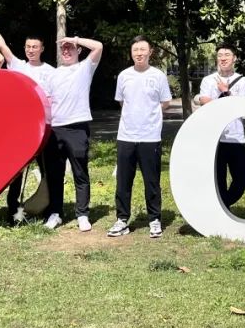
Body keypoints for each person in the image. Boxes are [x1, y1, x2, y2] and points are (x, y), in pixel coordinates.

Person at [0, 10, 54, 224]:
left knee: (47, 169)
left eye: (35, 47)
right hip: (21, 129)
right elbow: (2, 45)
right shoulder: (18, 65)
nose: (31, 50)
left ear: (42, 49)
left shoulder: (50, 71)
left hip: (45, 129)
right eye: (28, 47)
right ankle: (13, 210)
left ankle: (49, 208)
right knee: (16, 171)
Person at [107, 36, 173, 238]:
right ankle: (122, 219)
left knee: (152, 181)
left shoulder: (158, 76)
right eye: (135, 49)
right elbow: (122, 102)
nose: (139, 53)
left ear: (150, 52)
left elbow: (165, 102)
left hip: (150, 137)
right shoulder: (124, 75)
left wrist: (149, 115)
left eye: (143, 49)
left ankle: (154, 219)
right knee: (123, 182)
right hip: (126, 136)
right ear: (131, 52)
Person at [42, 34, 104, 232]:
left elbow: (98, 46)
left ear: (78, 50)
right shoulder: (53, 74)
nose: (66, 51)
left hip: (77, 127)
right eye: (64, 48)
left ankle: (82, 214)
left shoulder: (84, 68)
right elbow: (47, 102)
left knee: (80, 173)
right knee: (54, 174)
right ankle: (55, 213)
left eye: (70, 47)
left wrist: (75, 39)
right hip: (55, 129)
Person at [198, 45, 245, 209]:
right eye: (220, 55)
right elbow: (204, 100)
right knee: (218, 178)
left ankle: (223, 204)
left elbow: (243, 107)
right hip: (214, 138)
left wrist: (226, 92)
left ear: (234, 58)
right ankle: (221, 211)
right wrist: (225, 100)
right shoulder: (208, 80)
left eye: (227, 54)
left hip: (236, 137)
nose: (223, 58)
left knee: (244, 176)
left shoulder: (243, 81)